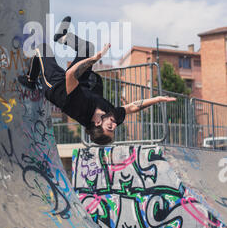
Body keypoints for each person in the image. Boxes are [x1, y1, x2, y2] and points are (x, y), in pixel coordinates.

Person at [18, 16, 176, 145]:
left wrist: (94, 60)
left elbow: (70, 74)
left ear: (98, 123)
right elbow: (133, 107)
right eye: (113, 128)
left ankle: (31, 79)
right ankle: (62, 38)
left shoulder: (80, 108)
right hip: (81, 84)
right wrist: (157, 99)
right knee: (88, 48)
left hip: (57, 86)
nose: (115, 125)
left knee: (42, 48)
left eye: (110, 127)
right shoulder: (111, 115)